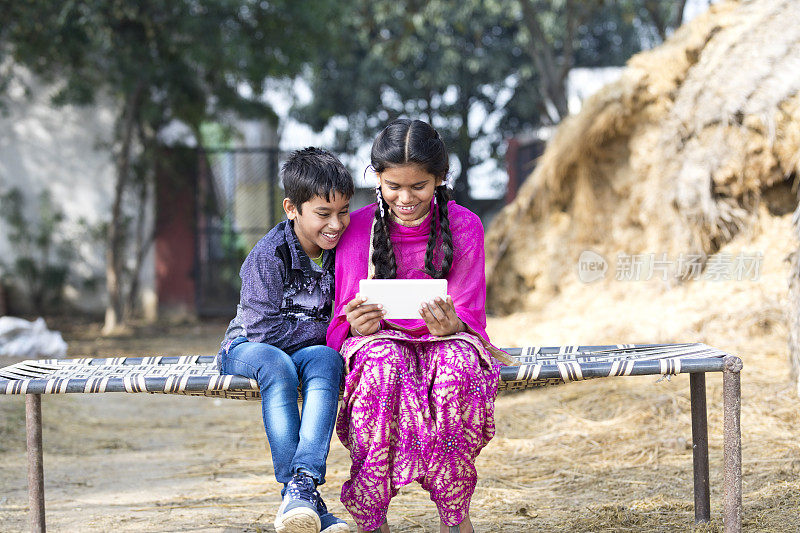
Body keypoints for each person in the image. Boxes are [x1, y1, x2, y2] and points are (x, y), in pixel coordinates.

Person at [326, 119, 514, 533]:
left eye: (419, 186)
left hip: (447, 343)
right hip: (377, 343)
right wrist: (356, 325)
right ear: (377, 178)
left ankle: (454, 514)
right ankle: (373, 520)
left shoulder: (465, 226)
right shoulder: (356, 228)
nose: (405, 198)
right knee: (382, 366)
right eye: (393, 186)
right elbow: (340, 317)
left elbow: (470, 312)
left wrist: (452, 325)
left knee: (455, 374)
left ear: (440, 179)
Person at [217, 147, 353, 533]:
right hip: (247, 348)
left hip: (303, 350)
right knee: (278, 365)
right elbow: (262, 330)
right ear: (291, 208)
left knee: (328, 360)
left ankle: (303, 487)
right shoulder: (268, 255)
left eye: (343, 212)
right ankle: (298, 489)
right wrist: (330, 330)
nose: (336, 224)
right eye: (323, 214)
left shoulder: (340, 251)